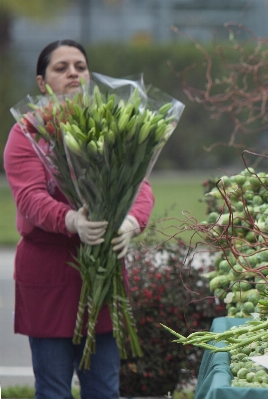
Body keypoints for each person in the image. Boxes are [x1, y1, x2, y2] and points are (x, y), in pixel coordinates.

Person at [3, 40, 154, 399]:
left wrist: (131, 221)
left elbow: (139, 183)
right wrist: (71, 220)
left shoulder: (111, 123)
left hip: (102, 271)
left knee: (104, 389)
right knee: (53, 389)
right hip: (48, 271)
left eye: (80, 66)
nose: (73, 72)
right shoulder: (26, 133)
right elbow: (29, 198)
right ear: (42, 83)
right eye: (61, 68)